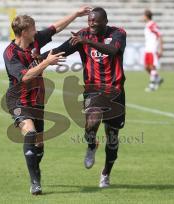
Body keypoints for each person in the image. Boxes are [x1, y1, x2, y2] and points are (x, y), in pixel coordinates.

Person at [3, 7, 91, 195]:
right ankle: (35, 182)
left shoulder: (34, 41)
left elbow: (55, 28)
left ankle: (35, 169)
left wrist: (75, 14)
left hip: (37, 101)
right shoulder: (10, 53)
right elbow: (24, 77)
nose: (37, 31)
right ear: (24, 32)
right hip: (18, 101)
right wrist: (46, 62)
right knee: (30, 134)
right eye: (34, 29)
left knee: (39, 145)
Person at [42, 7, 126, 188]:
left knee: (112, 137)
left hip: (115, 91)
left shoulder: (118, 33)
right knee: (91, 124)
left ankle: (105, 173)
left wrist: (86, 41)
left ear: (105, 21)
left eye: (95, 22)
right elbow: (61, 50)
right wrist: (39, 58)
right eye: (89, 22)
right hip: (94, 90)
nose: (91, 24)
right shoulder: (82, 35)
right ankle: (91, 145)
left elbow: (112, 50)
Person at [143, 9, 164, 92]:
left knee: (152, 66)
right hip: (147, 49)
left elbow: (160, 35)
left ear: (146, 16)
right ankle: (158, 79)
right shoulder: (147, 25)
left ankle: (152, 85)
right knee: (146, 67)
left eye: (143, 15)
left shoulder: (152, 25)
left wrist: (161, 49)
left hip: (152, 49)